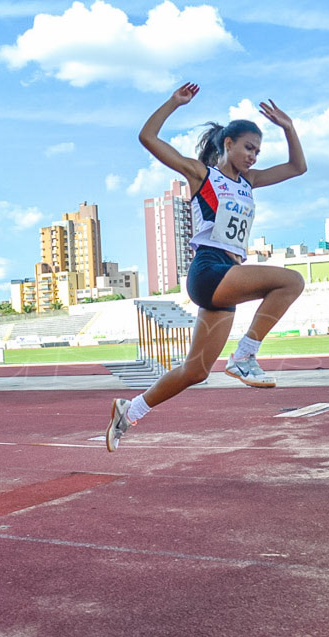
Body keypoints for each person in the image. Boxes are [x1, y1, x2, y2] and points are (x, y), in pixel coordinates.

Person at [106, 82, 307, 452]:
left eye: (259, 151)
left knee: (196, 371)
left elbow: (298, 167)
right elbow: (147, 137)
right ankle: (245, 355)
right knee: (291, 281)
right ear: (227, 144)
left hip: (226, 278)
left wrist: (289, 127)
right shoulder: (202, 175)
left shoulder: (250, 182)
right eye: (249, 147)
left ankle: (130, 410)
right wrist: (173, 103)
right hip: (209, 268)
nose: (254, 156)